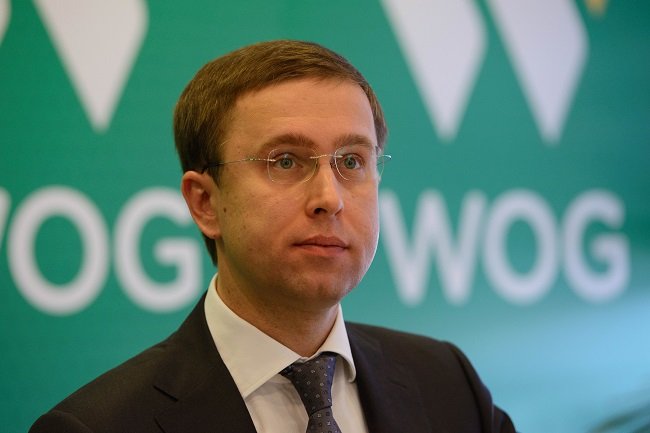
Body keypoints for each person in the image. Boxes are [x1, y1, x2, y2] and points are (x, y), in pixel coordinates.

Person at [30, 40, 516, 433]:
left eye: (351, 161)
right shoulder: (96, 427)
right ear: (205, 203)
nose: (329, 198)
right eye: (285, 161)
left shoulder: (448, 385)